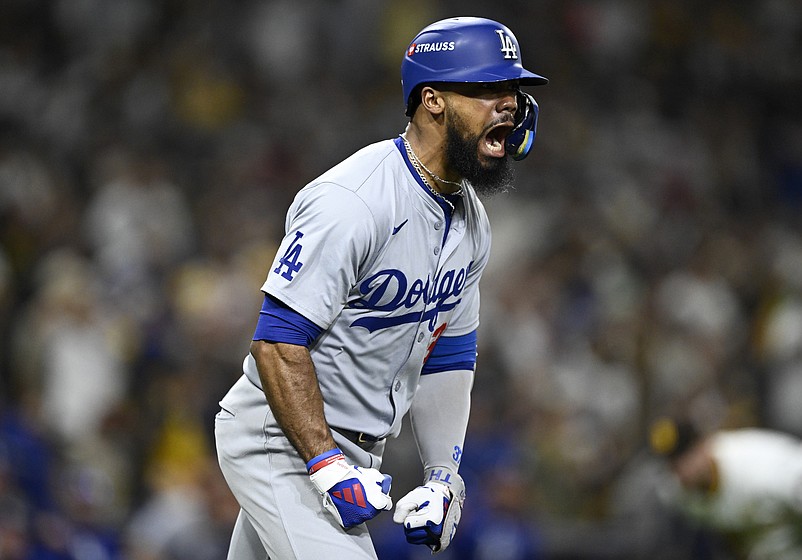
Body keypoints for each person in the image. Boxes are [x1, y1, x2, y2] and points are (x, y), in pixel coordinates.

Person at [214, 16, 548, 560]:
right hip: (282, 439)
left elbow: (449, 354)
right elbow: (276, 342)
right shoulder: (356, 201)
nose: (509, 105)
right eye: (488, 89)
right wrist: (326, 464)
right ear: (433, 100)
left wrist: (444, 477)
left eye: (512, 92)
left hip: (352, 449)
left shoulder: (473, 222)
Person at [649, 418, 802, 559]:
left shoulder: (759, 468)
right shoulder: (676, 494)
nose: (682, 470)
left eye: (687, 457)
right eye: (673, 465)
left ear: (704, 444)